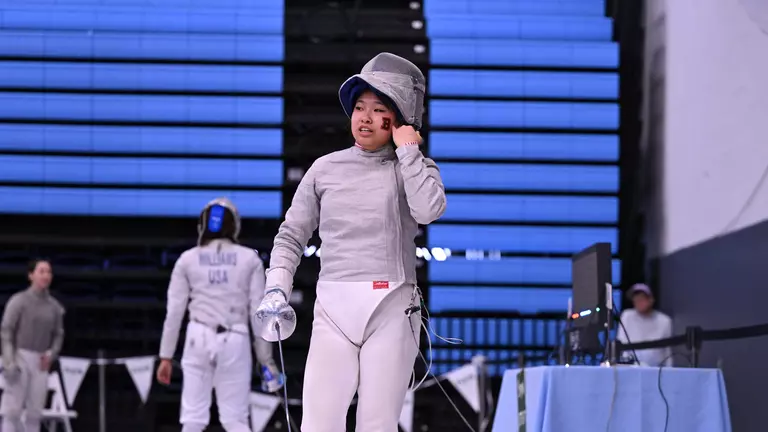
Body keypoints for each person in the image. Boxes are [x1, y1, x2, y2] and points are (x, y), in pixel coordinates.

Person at [255, 52, 446, 431]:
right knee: (318, 424)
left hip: (392, 308)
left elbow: (429, 210)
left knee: (377, 424)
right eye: (360, 107)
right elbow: (291, 235)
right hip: (333, 309)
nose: (365, 117)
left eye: (379, 109)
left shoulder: (414, 168)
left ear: (400, 118)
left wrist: (409, 151)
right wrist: (276, 287)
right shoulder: (324, 169)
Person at [156, 198, 284, 432]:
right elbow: (259, 313)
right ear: (234, 225)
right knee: (235, 421)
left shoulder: (187, 259)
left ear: (202, 225)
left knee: (192, 420)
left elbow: (174, 312)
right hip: (235, 340)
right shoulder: (249, 259)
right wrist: (266, 361)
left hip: (198, 337)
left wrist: (165, 356)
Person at [0, 259, 65, 432]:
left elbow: (58, 334)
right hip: (19, 357)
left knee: (35, 413)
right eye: (41, 271)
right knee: (12, 410)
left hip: (41, 361)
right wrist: (9, 361)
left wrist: (51, 354)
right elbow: (6, 331)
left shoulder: (54, 307)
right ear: (31, 275)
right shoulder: (18, 301)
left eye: (49, 272)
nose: (46, 275)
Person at [617, 283, 673, 367]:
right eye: (636, 299)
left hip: (657, 369)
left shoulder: (664, 321)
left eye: (641, 299)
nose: (638, 302)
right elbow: (622, 343)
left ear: (651, 300)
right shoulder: (627, 316)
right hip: (631, 367)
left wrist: (669, 371)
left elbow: (667, 351)